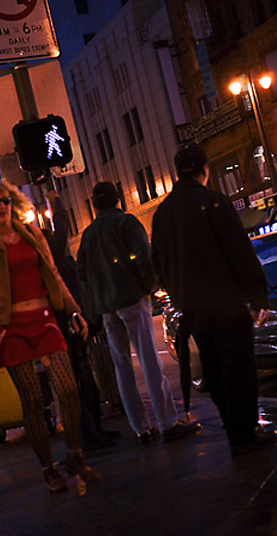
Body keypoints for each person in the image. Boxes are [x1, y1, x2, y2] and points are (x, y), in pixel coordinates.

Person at [0, 179, 99, 492]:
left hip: (45, 320)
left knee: (68, 388)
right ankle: (49, 469)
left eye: (6, 200)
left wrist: (74, 309)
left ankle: (74, 456)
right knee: (33, 402)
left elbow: (53, 272)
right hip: (11, 328)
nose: (2, 207)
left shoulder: (30, 233)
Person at [151, 143, 276, 455]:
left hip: (192, 308)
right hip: (225, 303)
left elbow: (158, 265)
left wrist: (177, 293)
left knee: (214, 368)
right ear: (204, 170)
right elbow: (239, 251)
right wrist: (257, 295)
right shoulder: (213, 201)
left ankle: (232, 426)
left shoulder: (163, 213)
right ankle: (245, 430)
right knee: (239, 367)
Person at [77, 181, 201, 445]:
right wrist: (147, 287)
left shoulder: (88, 235)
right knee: (149, 361)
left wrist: (97, 300)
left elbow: (82, 274)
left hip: (108, 307)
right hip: (132, 298)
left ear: (94, 206)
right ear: (118, 199)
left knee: (122, 367)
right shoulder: (127, 223)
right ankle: (167, 422)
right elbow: (143, 256)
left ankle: (141, 428)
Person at [44, 190, 120, 451]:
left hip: (70, 325)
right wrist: (55, 198)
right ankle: (89, 436)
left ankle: (95, 431)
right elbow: (62, 224)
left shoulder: (53, 260)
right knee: (78, 382)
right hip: (67, 328)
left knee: (84, 380)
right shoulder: (49, 254)